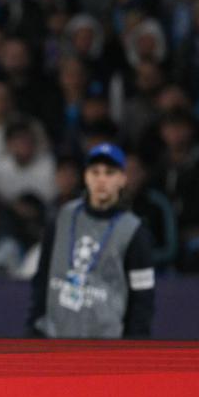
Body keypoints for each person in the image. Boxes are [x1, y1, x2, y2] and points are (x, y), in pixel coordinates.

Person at [29, 143, 155, 338]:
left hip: (105, 344)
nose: (101, 179)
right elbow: (42, 276)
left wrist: (134, 345)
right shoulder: (62, 217)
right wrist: (33, 328)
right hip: (54, 338)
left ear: (122, 179)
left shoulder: (134, 230)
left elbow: (143, 297)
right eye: (95, 172)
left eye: (109, 173)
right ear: (86, 176)